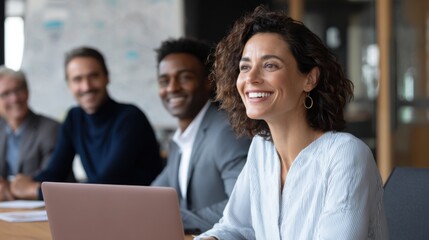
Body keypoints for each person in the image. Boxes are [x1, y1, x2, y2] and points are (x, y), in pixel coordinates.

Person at [196, 6, 388, 240]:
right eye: (245, 67)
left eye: (270, 65)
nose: (251, 78)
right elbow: (236, 227)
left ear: (309, 78)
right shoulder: (262, 150)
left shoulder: (345, 154)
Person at [10, 46, 163, 200]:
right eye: (77, 79)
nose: (86, 86)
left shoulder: (131, 118)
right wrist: (16, 186)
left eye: (94, 76)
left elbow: (107, 183)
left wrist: (34, 191)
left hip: (139, 209)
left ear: (106, 77)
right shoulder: (74, 118)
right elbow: (55, 173)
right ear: (69, 85)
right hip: (102, 208)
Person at [152, 37, 251, 233]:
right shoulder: (180, 140)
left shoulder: (226, 131)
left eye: (184, 77)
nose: (172, 88)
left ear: (208, 82)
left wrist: (176, 219)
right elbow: (150, 197)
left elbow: (241, 207)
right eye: (164, 81)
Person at [0, 66, 61, 201]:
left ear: (27, 91)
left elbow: (51, 178)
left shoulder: (50, 128)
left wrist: (10, 188)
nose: (15, 98)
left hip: (43, 208)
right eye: (5, 94)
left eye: (18, 90)